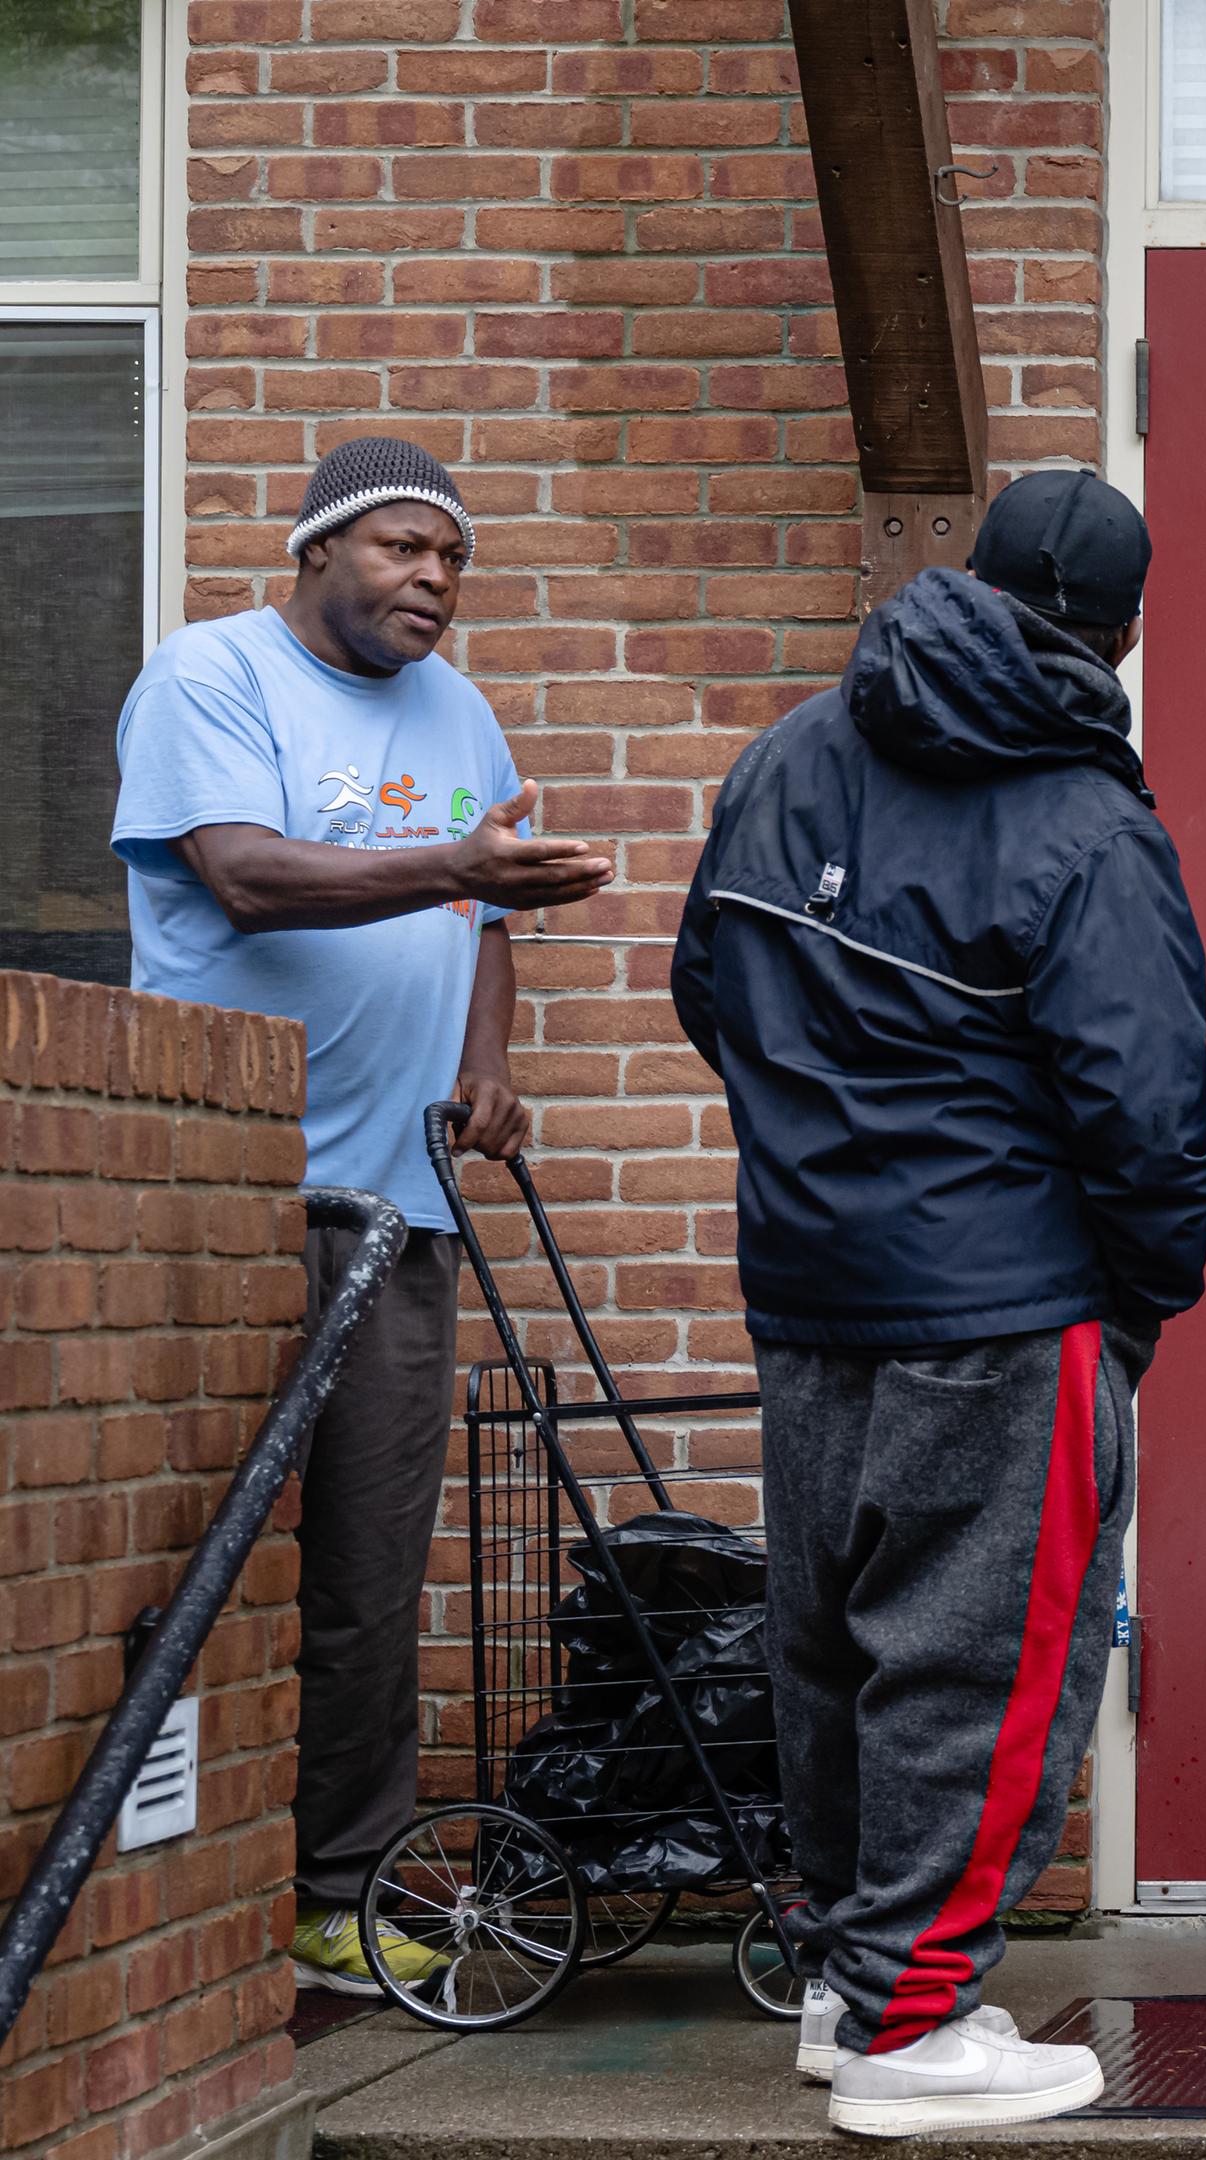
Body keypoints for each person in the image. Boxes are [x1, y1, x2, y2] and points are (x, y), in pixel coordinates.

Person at [671, 468, 1206, 2137]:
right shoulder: (1085, 822)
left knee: (829, 1648)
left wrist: (826, 1168)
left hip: (810, 1289)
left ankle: (854, 1992)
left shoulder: (784, 759)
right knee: (976, 1665)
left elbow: (710, 987)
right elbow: (1149, 1121)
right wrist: (1134, 1311)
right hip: (1001, 1304)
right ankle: (915, 2030)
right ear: (1120, 634)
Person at [109, 437, 616, 1999]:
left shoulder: (458, 712)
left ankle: (338, 1901)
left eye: (452, 561)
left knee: (370, 1576)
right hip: (228, 1200)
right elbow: (246, 879)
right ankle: (157, 1897)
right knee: (182, 1557)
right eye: (405, 550)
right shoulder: (209, 678)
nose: (435, 584)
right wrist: (457, 867)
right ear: (320, 547)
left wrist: (489, 1061)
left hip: (399, 1207)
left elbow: (482, 910)